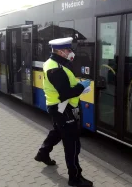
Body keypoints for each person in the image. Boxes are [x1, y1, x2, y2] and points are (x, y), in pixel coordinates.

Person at [34, 37, 93, 187]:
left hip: (59, 107)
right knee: (72, 143)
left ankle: (43, 153)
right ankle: (75, 178)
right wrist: (81, 87)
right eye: (68, 50)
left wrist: (78, 86)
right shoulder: (55, 69)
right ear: (60, 51)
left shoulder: (55, 63)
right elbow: (66, 92)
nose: (70, 52)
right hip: (62, 108)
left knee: (58, 131)